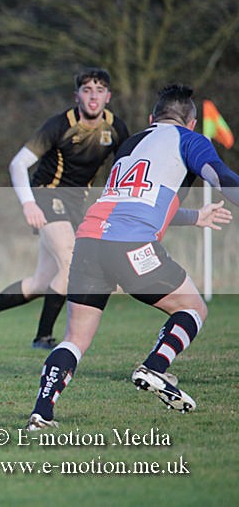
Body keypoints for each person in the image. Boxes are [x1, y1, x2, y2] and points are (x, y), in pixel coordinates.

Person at [26, 84, 239, 430]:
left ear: (152, 118)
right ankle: (156, 366)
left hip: (89, 240)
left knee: (75, 339)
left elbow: (131, 200)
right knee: (193, 308)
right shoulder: (189, 140)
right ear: (193, 122)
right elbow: (222, 178)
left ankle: (42, 412)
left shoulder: (130, 143)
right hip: (131, 246)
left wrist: (194, 217)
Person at [0, 68, 130, 350]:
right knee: (71, 262)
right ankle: (43, 338)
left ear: (108, 96)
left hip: (76, 204)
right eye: (87, 90)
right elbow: (18, 164)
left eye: (99, 90)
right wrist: (28, 204)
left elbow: (127, 168)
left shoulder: (116, 128)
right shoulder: (59, 125)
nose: (93, 96)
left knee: (42, 282)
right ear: (77, 96)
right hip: (46, 196)